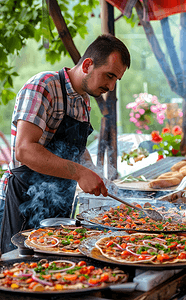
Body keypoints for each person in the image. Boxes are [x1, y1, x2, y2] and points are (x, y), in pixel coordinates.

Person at [0, 34, 130, 253]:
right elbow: (25, 150)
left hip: (61, 203)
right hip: (24, 199)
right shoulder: (43, 86)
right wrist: (80, 173)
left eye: (116, 80)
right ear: (88, 64)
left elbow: (76, 150)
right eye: (108, 76)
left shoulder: (84, 101)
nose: (110, 86)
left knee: (58, 271)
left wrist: (96, 175)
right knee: (20, 272)